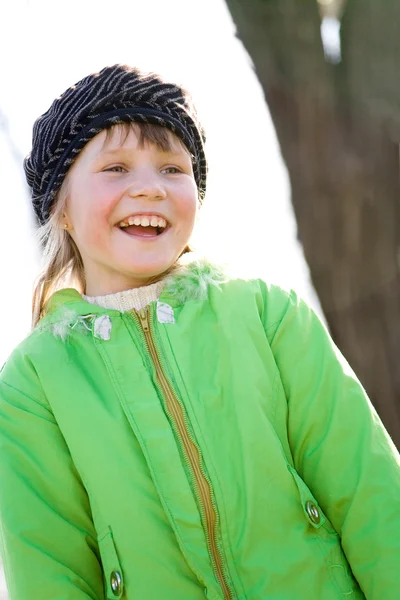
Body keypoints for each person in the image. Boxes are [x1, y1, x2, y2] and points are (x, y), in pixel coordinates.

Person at [0, 64, 398, 600]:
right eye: (116, 168)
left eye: (172, 168)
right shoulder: (32, 386)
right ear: (61, 208)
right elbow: (50, 571)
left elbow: (370, 492)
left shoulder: (265, 315)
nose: (149, 189)